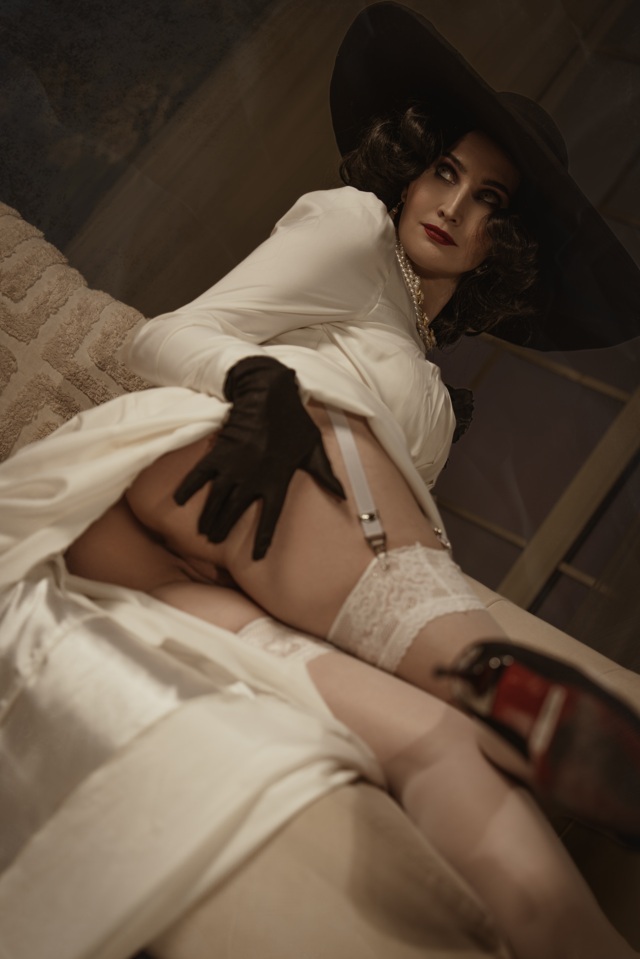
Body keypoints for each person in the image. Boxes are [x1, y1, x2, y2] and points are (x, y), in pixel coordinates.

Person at [2, 4, 640, 958]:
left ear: (501, 246)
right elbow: (166, 334)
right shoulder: (354, 228)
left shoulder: (431, 385)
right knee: (482, 681)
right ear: (410, 168)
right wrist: (259, 384)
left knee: (436, 746)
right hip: (239, 456)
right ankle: (516, 701)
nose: (454, 208)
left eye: (490, 203)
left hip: (148, 552)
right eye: (445, 171)